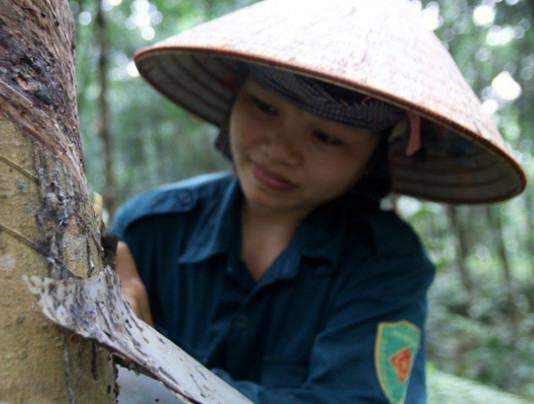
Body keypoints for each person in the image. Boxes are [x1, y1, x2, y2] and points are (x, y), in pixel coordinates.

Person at [108, 1, 526, 403]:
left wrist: (157, 372)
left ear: (374, 157)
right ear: (236, 94)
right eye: (264, 106)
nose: (280, 149)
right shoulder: (151, 229)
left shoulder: (385, 262)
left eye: (326, 137)